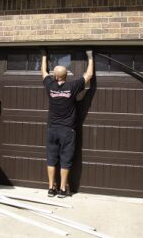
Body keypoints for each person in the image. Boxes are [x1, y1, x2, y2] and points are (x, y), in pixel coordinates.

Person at [41, 49, 94, 198]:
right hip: (67, 131)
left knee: (51, 159)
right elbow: (88, 75)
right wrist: (90, 56)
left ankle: (51, 188)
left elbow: (43, 73)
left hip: (52, 129)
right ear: (65, 75)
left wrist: (44, 56)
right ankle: (63, 189)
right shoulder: (72, 86)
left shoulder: (50, 86)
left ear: (55, 76)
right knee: (65, 159)